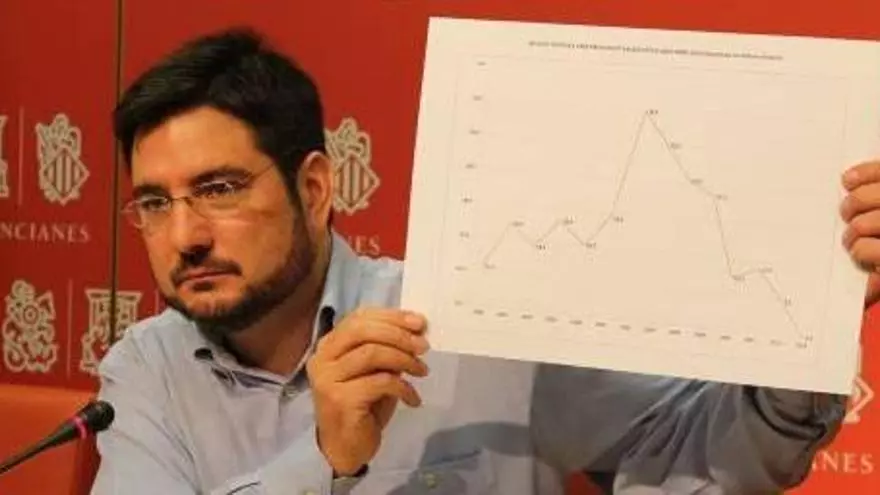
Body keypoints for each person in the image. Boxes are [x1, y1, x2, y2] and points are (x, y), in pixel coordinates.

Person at [90, 27, 878, 495]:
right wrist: (324, 460)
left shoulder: (467, 321)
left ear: (317, 187)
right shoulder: (145, 370)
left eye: (219, 189)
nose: (185, 234)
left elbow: (699, 456)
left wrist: (817, 307)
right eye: (154, 202)